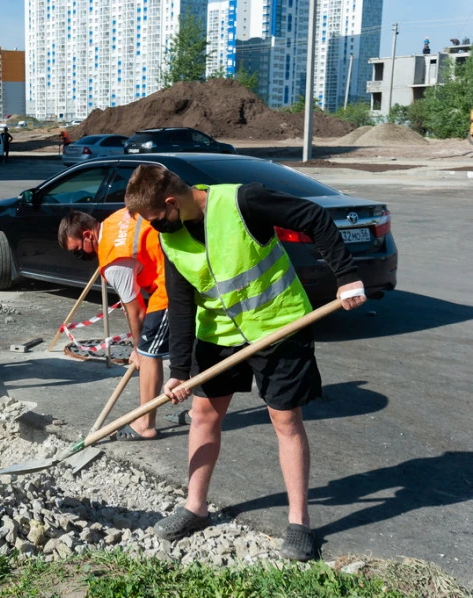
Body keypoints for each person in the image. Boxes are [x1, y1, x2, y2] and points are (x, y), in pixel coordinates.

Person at [124, 164, 367, 561]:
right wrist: (179, 372)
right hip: (217, 336)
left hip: (279, 327)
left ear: (171, 202)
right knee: (203, 416)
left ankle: (299, 523)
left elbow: (314, 217)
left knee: (285, 421)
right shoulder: (170, 240)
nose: (155, 228)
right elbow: (182, 305)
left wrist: (346, 276)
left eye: (155, 219)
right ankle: (195, 506)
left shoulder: (242, 201)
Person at [58, 209, 169, 440]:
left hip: (169, 285)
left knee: (149, 352)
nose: (79, 257)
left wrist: (138, 351)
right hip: (178, 267)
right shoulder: (115, 220)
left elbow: (137, 312)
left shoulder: (113, 260)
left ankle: (145, 424)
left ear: (88, 235)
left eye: (78, 250)